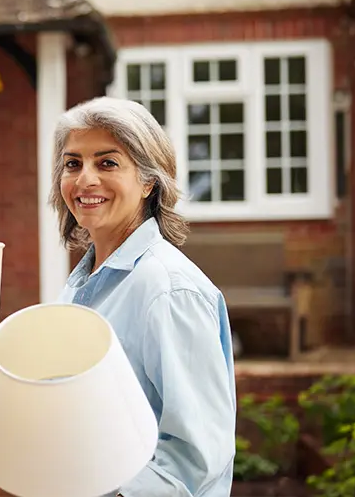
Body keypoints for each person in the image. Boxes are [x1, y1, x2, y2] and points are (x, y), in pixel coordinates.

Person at [50, 97, 237, 496]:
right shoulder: (82, 284)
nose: (85, 180)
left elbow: (194, 460)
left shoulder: (168, 290)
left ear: (149, 181)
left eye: (107, 163)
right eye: (72, 163)